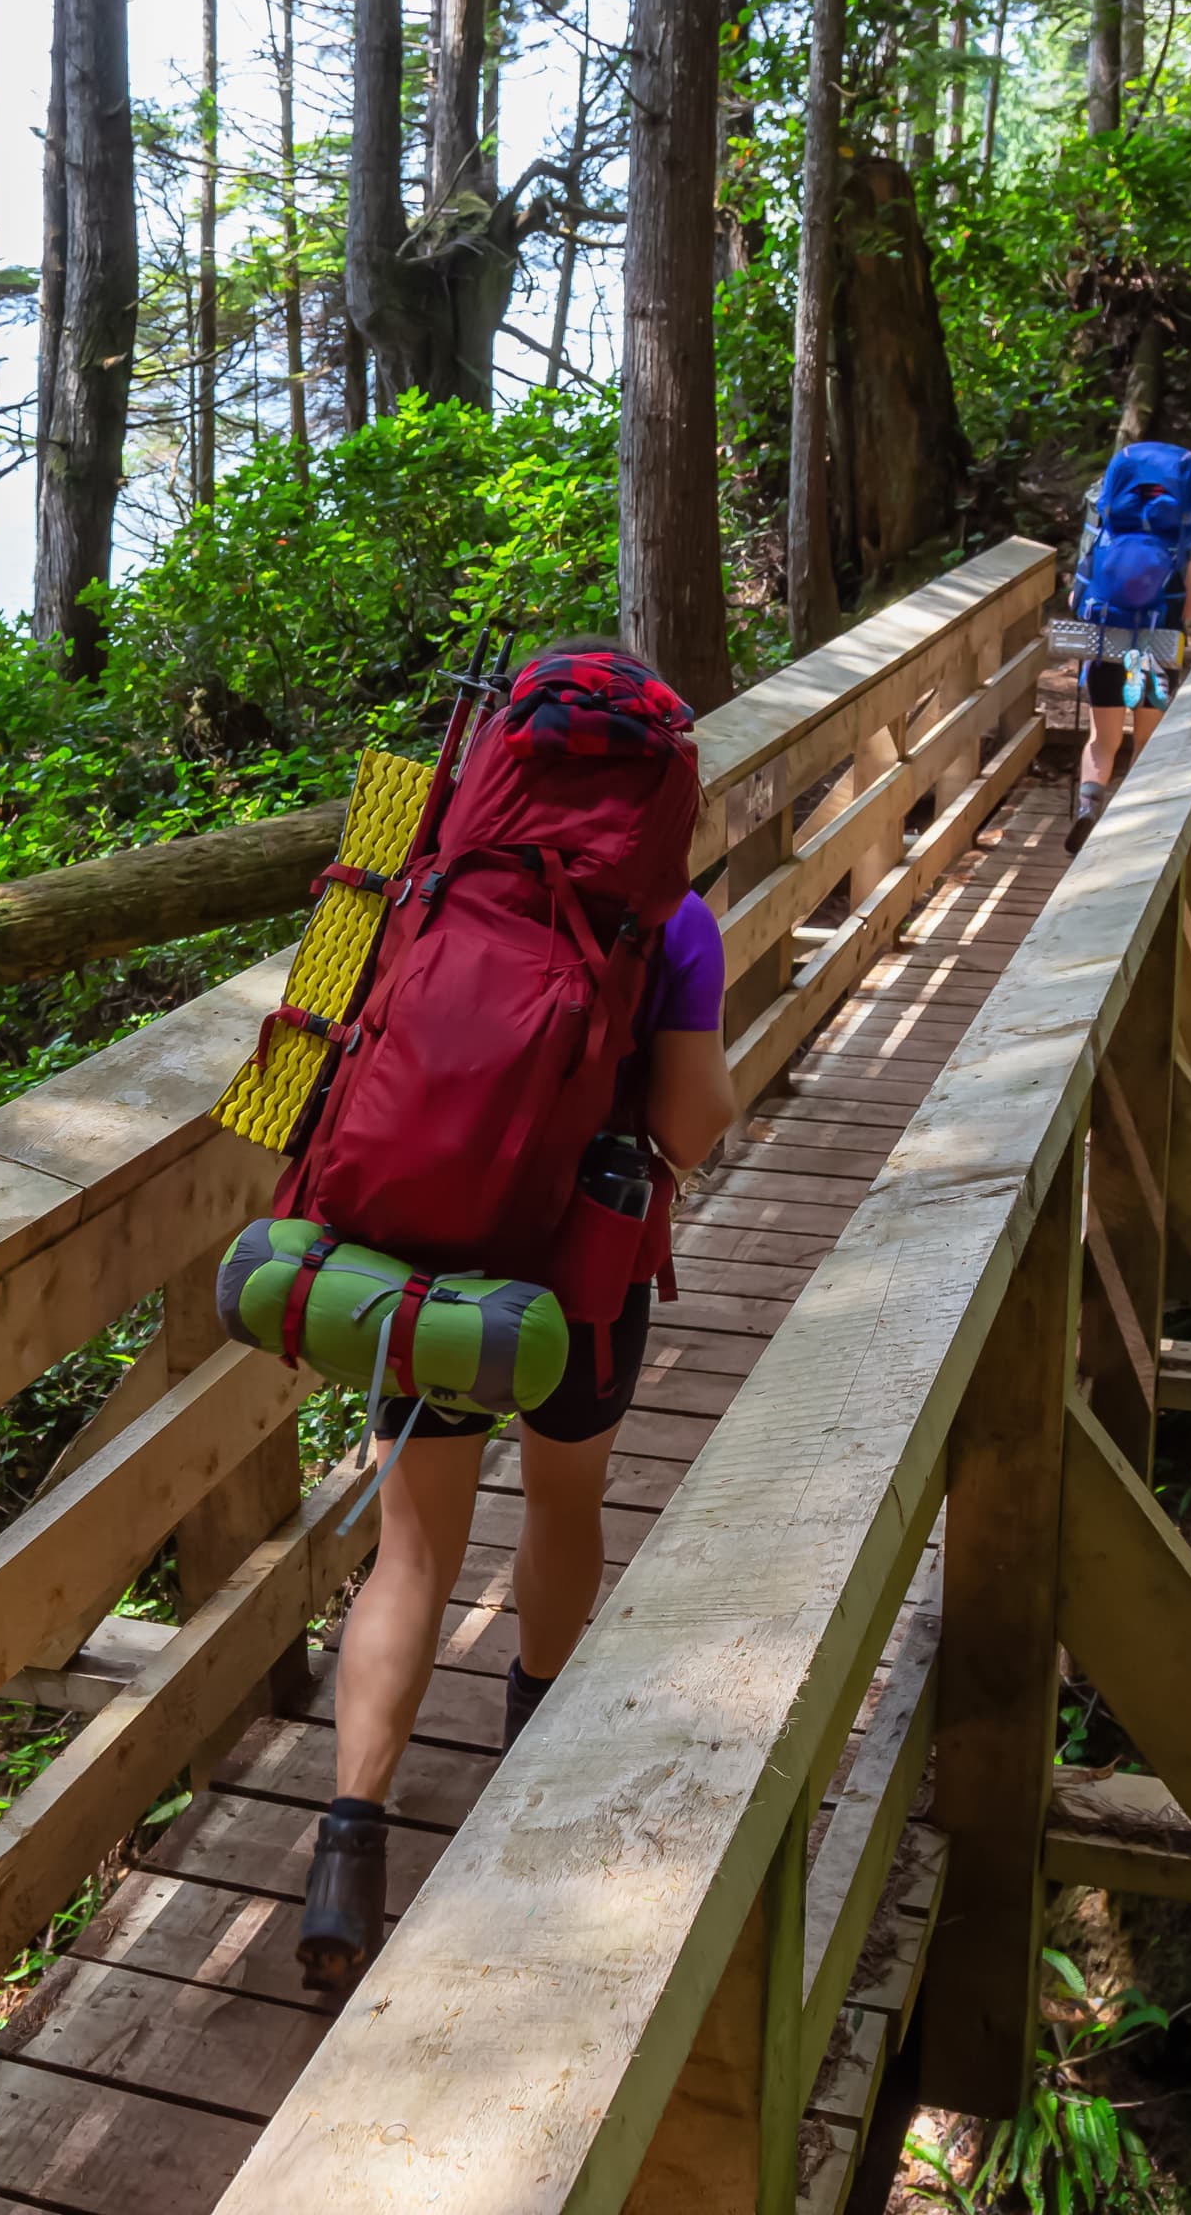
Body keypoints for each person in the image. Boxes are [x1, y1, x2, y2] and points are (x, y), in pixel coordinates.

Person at [295, 684, 740, 1999]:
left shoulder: (403, 860)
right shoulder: (674, 918)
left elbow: (308, 1043)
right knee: (562, 1499)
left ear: (500, 757)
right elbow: (695, 1125)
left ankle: (347, 1847)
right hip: (575, 1274)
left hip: (411, 1260)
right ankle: (529, 1762)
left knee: (416, 1548)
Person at [1066, 441, 1191, 854]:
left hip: (1108, 641)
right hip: (1160, 643)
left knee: (1101, 740)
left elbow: (1078, 598)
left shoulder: (1103, 514)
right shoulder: (1179, 527)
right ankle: (1137, 833)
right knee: (1148, 741)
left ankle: (1089, 805)